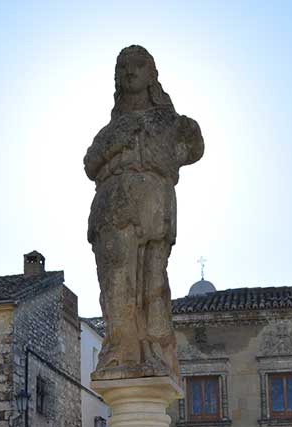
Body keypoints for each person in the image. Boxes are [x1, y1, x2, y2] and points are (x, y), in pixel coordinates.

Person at [85, 45, 204, 381]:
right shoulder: (111, 129)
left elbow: (193, 148)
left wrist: (177, 138)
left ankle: (153, 350)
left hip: (154, 203)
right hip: (113, 206)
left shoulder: (168, 121)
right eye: (122, 67)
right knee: (116, 281)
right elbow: (90, 163)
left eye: (137, 65)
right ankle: (121, 350)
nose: (129, 72)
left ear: (152, 73)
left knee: (154, 280)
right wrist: (117, 142)